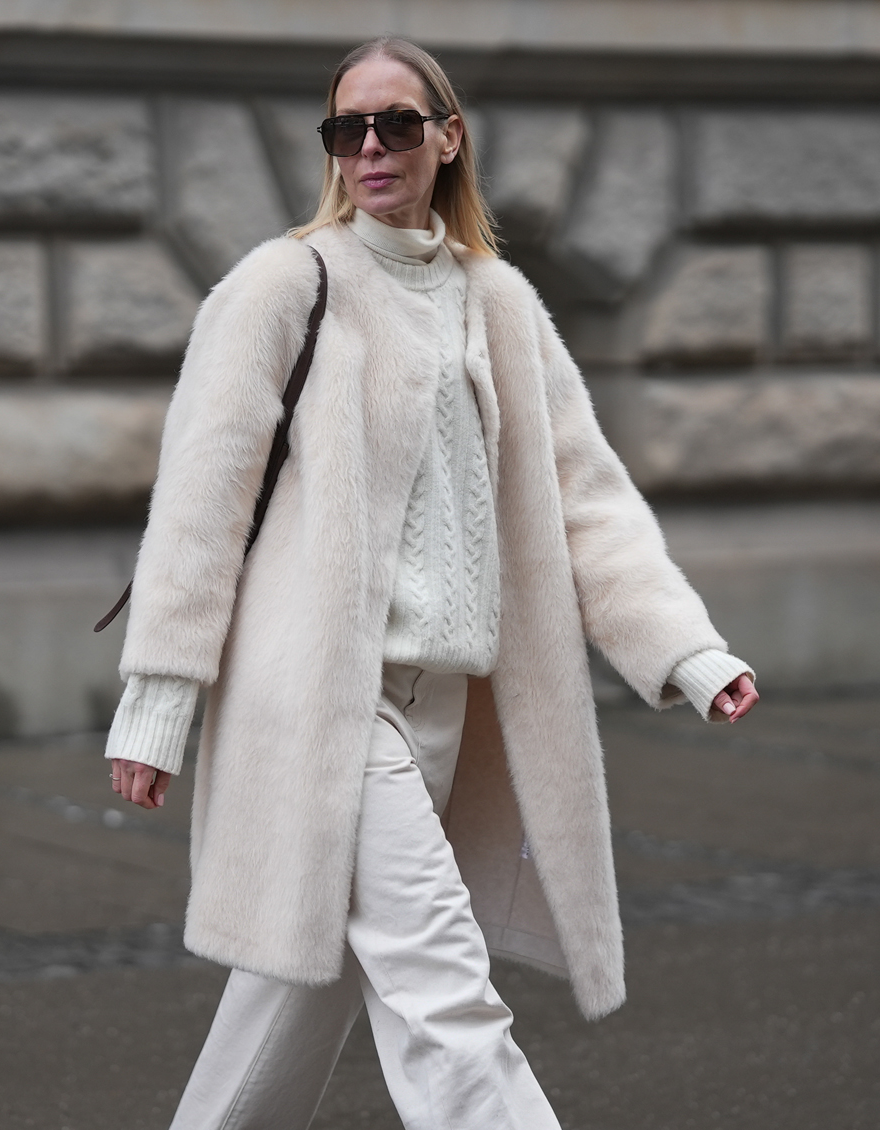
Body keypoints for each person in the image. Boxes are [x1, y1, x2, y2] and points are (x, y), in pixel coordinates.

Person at [104, 36, 758, 1130]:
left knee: (295, 990)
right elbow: (198, 503)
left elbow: (583, 498)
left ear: (446, 138)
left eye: (396, 123)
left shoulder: (495, 302)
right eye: (345, 128)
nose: (369, 146)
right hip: (323, 699)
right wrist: (157, 702)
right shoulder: (284, 283)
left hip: (443, 706)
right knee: (443, 989)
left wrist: (686, 651)